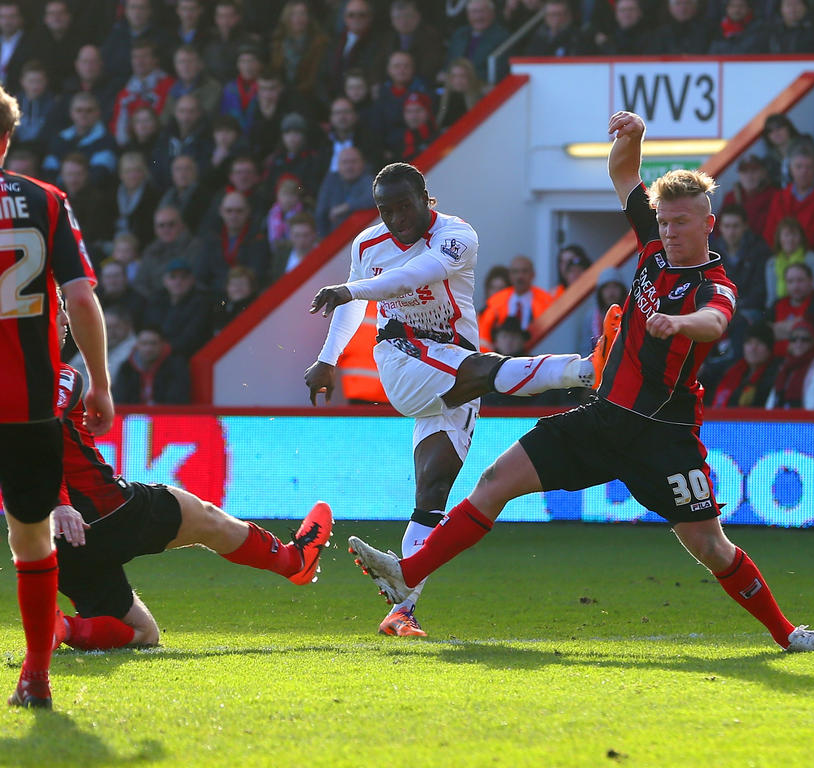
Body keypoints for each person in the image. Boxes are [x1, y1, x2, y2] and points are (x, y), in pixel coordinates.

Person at [346, 113, 814, 654]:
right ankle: (405, 577)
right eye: (665, 221)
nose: (670, 231)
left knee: (711, 547)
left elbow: (717, 322)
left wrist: (678, 324)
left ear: (708, 224)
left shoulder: (712, 287)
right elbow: (626, 177)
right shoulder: (653, 247)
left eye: (681, 222)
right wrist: (634, 139)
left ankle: (787, 634)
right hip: (602, 418)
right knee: (494, 482)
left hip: (663, 437)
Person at [304, 162, 598, 637]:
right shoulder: (367, 244)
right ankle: (586, 370)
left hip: (449, 361)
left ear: (426, 197)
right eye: (386, 209)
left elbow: (420, 273)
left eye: (404, 206)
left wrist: (348, 288)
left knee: (434, 487)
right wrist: (327, 358)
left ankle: (403, 609)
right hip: (402, 354)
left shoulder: (457, 235)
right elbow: (354, 305)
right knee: (486, 370)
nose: (396, 217)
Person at [50, 343, 333, 651]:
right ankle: (293, 561)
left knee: (143, 634)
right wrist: (60, 502)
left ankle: (61, 628)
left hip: (52, 540)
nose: (64, 320)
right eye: (57, 312)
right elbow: (41, 438)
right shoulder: (56, 376)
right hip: (102, 511)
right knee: (203, 516)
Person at [0, 84, 114, 709]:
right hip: (29, 406)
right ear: (8, 139)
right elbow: (81, 298)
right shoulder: (46, 201)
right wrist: (98, 381)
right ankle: (36, 677)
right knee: (31, 541)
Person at [765, 321, 814, 423]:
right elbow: (770, 406)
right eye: (794, 339)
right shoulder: (785, 369)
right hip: (788, 427)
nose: (799, 343)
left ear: (813, 342)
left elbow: (812, 410)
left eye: (805, 339)